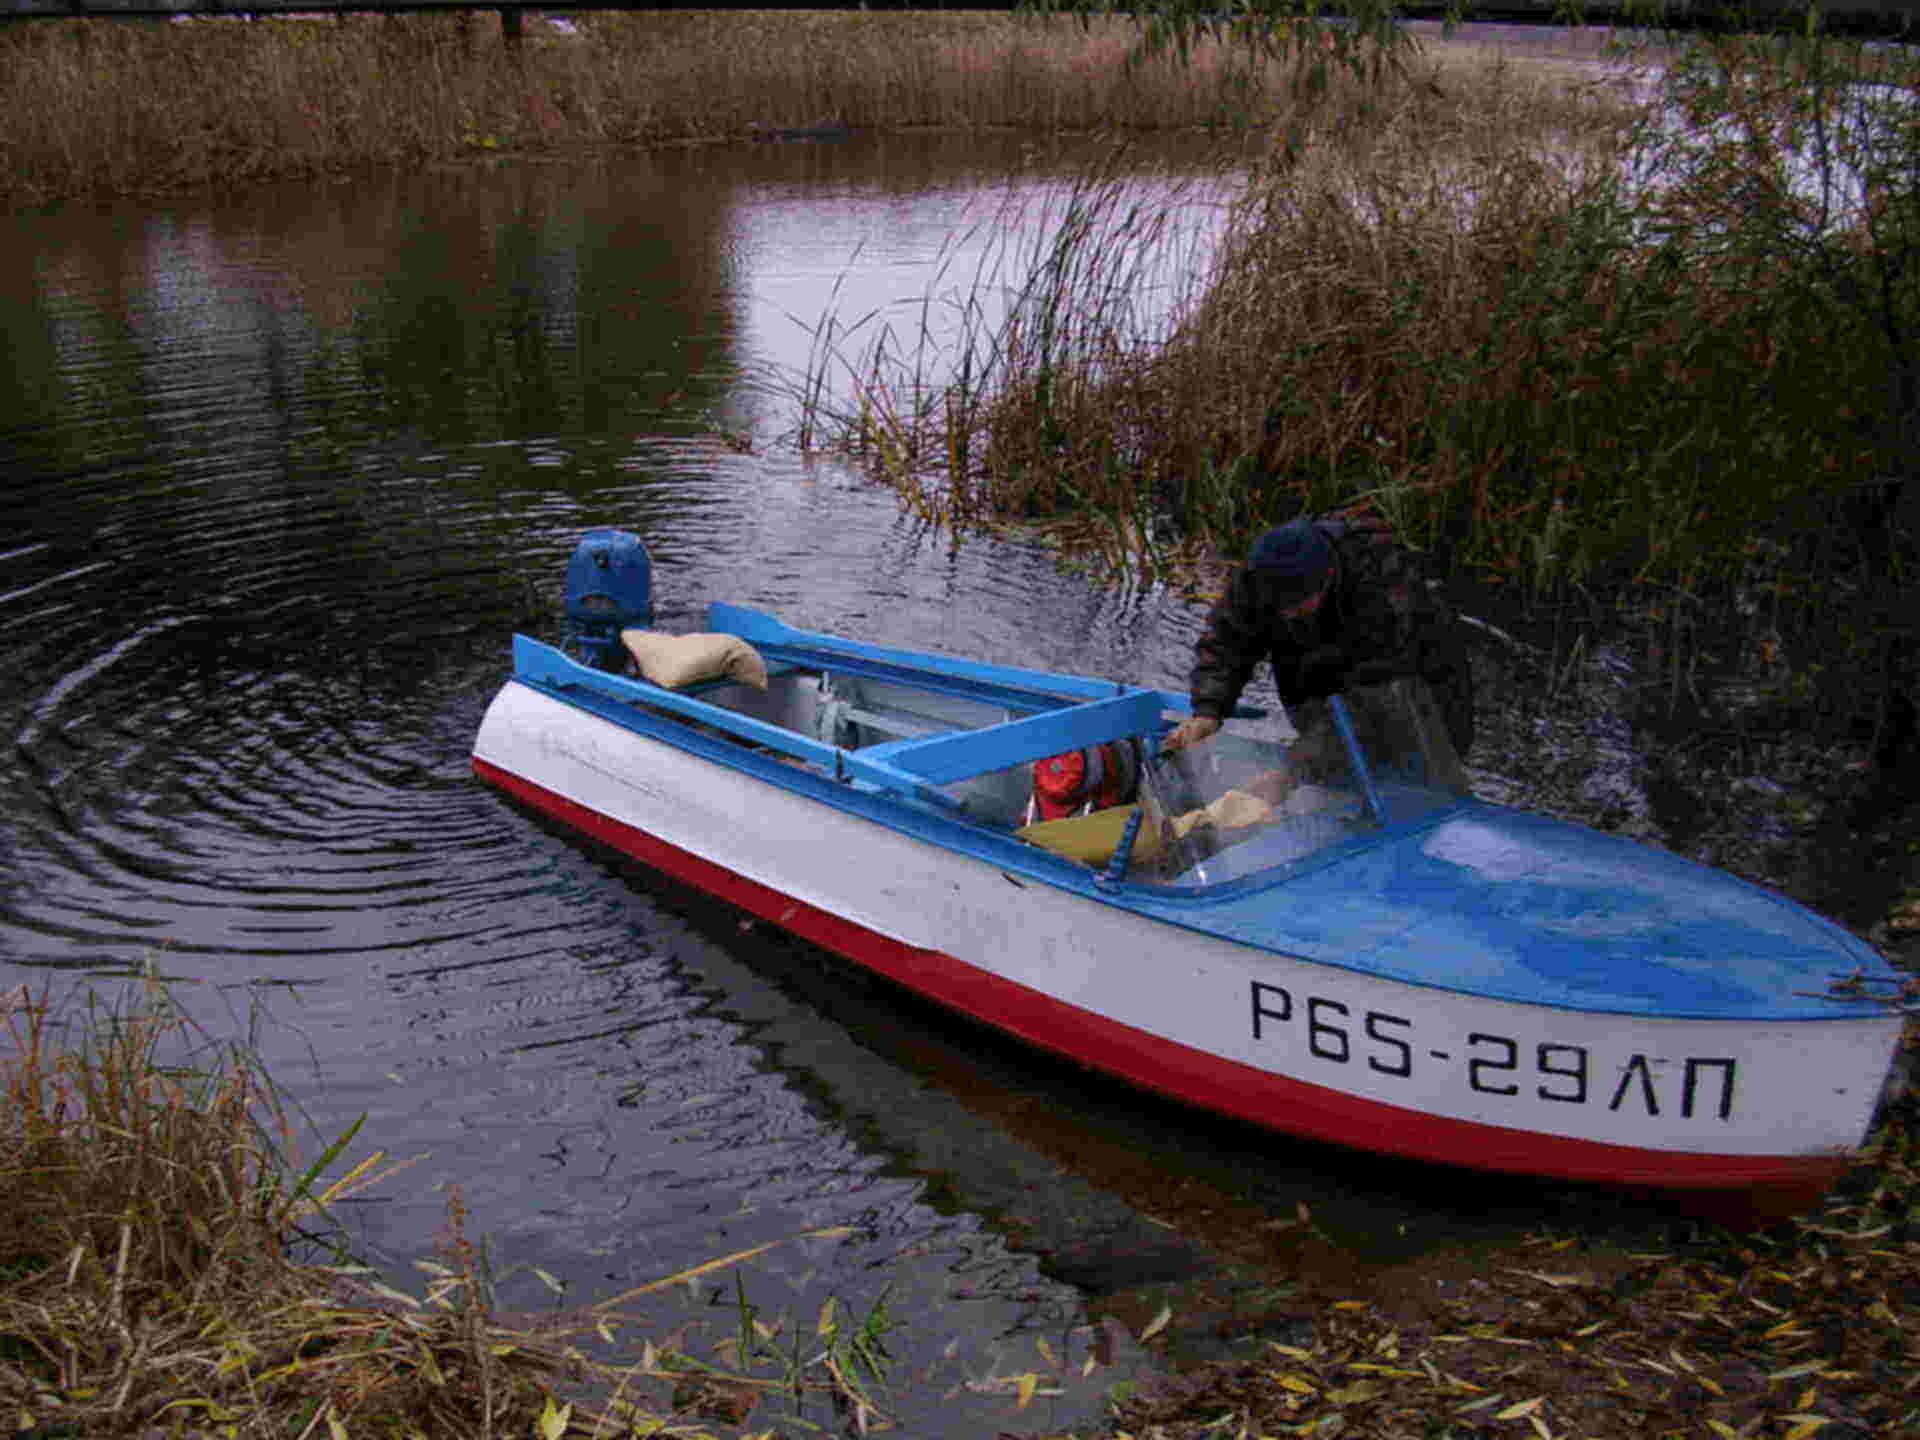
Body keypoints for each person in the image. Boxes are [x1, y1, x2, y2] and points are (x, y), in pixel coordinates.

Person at [1162, 507, 1474, 766]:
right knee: (1328, 769)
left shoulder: (1382, 584)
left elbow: (1376, 703)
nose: (1285, 615)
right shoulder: (1261, 576)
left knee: (1414, 772)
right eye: (1277, 607)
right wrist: (1209, 710)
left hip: (1419, 695)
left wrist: (1295, 768)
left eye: (1297, 606)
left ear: (1328, 578)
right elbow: (1227, 641)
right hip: (1323, 677)